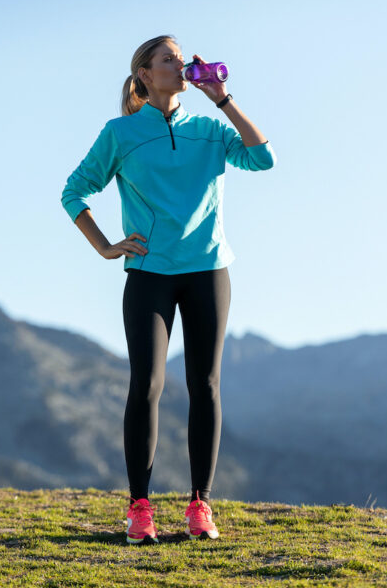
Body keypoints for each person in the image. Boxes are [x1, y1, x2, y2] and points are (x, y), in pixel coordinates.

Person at [61, 36, 275, 544]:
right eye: (169, 60)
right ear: (144, 74)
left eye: (183, 60)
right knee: (148, 384)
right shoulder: (121, 133)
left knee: (205, 385)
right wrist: (106, 247)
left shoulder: (208, 128)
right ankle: (140, 507)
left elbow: (262, 159)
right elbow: (74, 191)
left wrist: (221, 98)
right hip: (150, 273)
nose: (181, 66)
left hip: (207, 270)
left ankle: (200, 504)